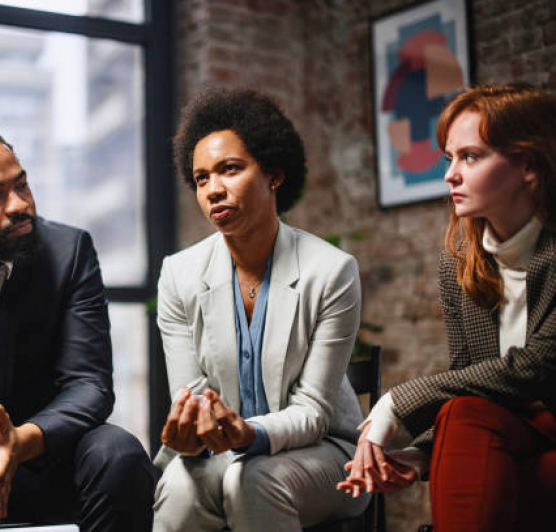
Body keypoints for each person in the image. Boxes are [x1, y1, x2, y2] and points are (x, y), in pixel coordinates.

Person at [0, 125, 155, 530]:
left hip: (43, 453)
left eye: (21, 185)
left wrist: (23, 440)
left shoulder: (69, 251)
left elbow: (89, 383)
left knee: (118, 452)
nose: (19, 205)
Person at [337, 84, 556, 532]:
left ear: (528, 165)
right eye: (448, 158)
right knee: (459, 412)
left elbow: (539, 366)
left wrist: (395, 402)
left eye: (470, 156)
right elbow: (469, 382)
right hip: (514, 426)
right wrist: (419, 457)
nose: (450, 175)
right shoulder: (458, 260)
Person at [152, 87, 369, 531]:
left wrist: (250, 434)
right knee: (177, 482)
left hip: (326, 453)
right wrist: (192, 432)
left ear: (273, 173)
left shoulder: (331, 271)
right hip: (224, 455)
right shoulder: (179, 275)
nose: (214, 190)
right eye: (201, 178)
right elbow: (190, 396)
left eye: (230, 169)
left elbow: (312, 412)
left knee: (253, 481)